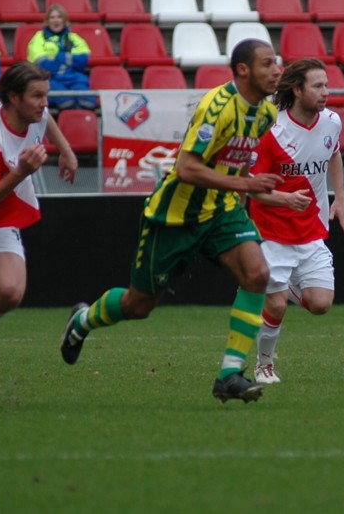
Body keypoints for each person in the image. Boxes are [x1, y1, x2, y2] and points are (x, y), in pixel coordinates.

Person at [59, 39, 284, 405]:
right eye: (267, 64)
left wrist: (242, 203)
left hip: (223, 209)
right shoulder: (218, 107)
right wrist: (245, 183)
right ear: (243, 70)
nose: (276, 70)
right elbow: (187, 168)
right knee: (139, 305)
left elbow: (239, 161)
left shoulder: (266, 114)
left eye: (277, 63)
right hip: (175, 215)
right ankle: (82, 321)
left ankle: (229, 374)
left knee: (258, 274)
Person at [249, 58, 344, 385]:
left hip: (310, 232)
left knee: (320, 305)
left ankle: (290, 285)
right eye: (318, 86)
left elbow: (334, 154)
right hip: (271, 234)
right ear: (297, 89)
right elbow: (251, 189)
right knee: (276, 307)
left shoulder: (332, 121)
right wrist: (283, 199)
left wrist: (340, 200)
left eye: (327, 85)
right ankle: (264, 366)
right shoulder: (271, 131)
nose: (326, 92)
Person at [0, 62, 78, 330]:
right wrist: (21, 172)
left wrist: (66, 150)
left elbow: (47, 118)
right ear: (14, 98)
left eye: (46, 95)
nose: (45, 103)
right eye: (37, 96)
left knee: (9, 293)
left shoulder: (35, 114)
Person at [27, 3, 95, 112]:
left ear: (64, 20)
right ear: (47, 21)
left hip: (75, 79)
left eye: (59, 17)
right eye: (52, 17)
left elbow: (82, 60)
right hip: (51, 79)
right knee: (66, 102)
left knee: (87, 102)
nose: (56, 20)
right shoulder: (39, 38)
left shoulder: (74, 38)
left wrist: (59, 57)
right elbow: (42, 64)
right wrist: (69, 61)